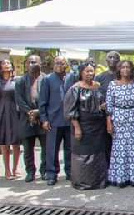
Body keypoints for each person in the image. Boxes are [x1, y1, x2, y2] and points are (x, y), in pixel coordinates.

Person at [63, 63, 107, 190]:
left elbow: (101, 102)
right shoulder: (75, 89)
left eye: (92, 71)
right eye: (87, 71)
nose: (89, 73)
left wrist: (103, 106)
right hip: (82, 125)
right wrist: (77, 127)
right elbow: (70, 110)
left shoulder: (98, 86)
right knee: (82, 154)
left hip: (98, 127)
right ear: (81, 73)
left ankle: (98, 182)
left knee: (97, 154)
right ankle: (82, 182)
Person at [106, 61, 134, 188]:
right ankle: (120, 178)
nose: (125, 69)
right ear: (119, 70)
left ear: (132, 69)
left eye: (128, 67)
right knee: (120, 149)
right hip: (118, 119)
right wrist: (109, 123)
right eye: (123, 67)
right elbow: (109, 105)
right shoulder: (112, 85)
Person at [39, 56, 72, 186]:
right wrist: (44, 119)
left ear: (66, 65)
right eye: (57, 63)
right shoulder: (47, 79)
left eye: (62, 63)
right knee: (52, 149)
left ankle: (70, 172)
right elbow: (42, 101)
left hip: (69, 120)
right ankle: (52, 174)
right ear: (53, 65)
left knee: (69, 148)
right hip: (53, 120)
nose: (59, 65)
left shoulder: (71, 77)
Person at [15, 55, 46, 182]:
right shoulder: (21, 81)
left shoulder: (45, 79)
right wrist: (30, 113)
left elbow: (48, 98)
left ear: (40, 63)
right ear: (26, 65)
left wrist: (39, 112)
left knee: (46, 147)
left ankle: (44, 171)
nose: (32, 64)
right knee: (28, 148)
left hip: (43, 118)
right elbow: (19, 100)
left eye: (35, 62)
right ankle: (30, 172)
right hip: (26, 119)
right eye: (29, 62)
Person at [95, 51, 121, 164]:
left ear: (118, 60)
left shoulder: (123, 76)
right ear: (106, 60)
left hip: (120, 114)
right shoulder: (100, 77)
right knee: (105, 143)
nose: (112, 59)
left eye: (115, 58)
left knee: (118, 143)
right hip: (103, 116)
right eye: (109, 57)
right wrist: (100, 104)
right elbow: (95, 94)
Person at [0, 60, 21, 180]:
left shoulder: (17, 81)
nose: (7, 65)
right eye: (4, 63)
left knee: (16, 142)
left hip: (15, 113)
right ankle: (7, 169)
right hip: (2, 113)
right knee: (4, 143)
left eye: (9, 63)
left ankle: (16, 167)